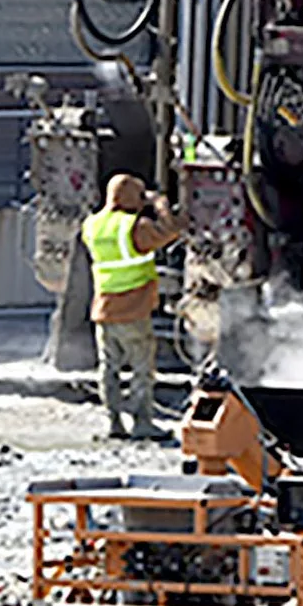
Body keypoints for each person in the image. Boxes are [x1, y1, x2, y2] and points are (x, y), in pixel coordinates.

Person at [81, 172, 184, 441]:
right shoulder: (135, 227)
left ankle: (113, 422)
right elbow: (171, 231)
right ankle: (142, 423)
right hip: (133, 310)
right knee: (141, 370)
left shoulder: (91, 225)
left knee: (109, 368)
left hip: (103, 309)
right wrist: (160, 203)